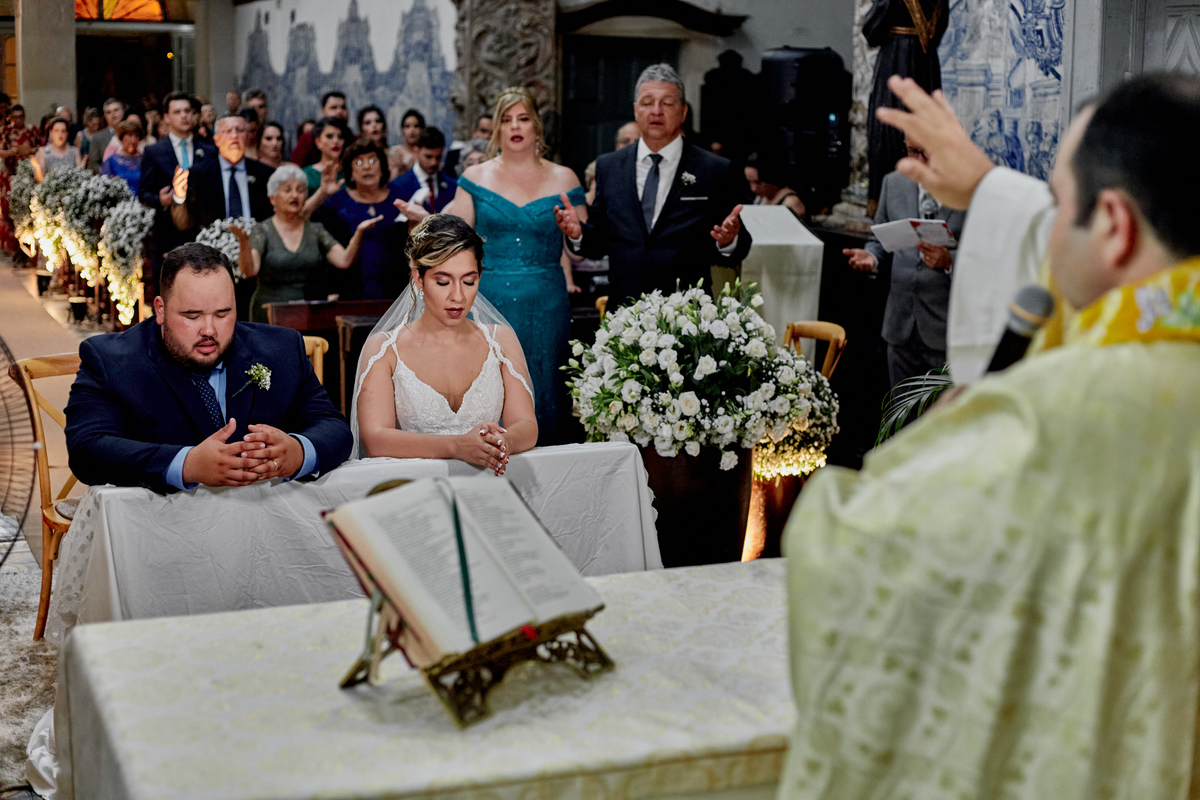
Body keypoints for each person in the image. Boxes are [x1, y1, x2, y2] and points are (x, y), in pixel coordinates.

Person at [778, 72, 1200, 800]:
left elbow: (852, 556)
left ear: (1116, 227)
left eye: (1058, 203)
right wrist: (994, 190)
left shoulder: (1049, 416)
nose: (1047, 227)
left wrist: (943, 431)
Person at [64, 242, 352, 493]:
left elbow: (335, 428)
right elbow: (86, 450)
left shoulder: (281, 348)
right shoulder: (111, 359)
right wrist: (186, 464)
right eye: (192, 315)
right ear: (160, 310)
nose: (209, 330)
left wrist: (300, 452)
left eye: (223, 313)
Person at [402, 87, 583, 444]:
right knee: (490, 383)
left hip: (546, 302)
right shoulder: (478, 178)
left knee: (545, 386)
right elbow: (455, 236)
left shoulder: (565, 178)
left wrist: (574, 234)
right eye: (506, 119)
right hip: (489, 299)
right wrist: (426, 219)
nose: (515, 126)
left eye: (523, 118)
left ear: (536, 127)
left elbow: (578, 251)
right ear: (497, 128)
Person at [351, 213, 537, 475]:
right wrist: (456, 446)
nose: (458, 296)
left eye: (469, 281)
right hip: (415, 489)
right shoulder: (384, 349)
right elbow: (375, 439)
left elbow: (526, 425)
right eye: (443, 281)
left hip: (491, 483)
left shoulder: (501, 340)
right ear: (419, 279)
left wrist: (503, 441)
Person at [555, 63, 751, 308]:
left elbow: (740, 245)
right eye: (647, 102)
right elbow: (599, 242)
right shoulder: (609, 166)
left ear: (683, 112)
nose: (656, 111)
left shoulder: (714, 169)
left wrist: (728, 240)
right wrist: (578, 234)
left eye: (667, 103)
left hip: (687, 318)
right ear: (636, 111)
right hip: (625, 316)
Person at [843, 138, 965, 386]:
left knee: (943, 419)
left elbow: (986, 254)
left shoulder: (968, 190)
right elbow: (878, 238)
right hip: (900, 327)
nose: (918, 160)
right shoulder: (893, 182)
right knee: (901, 416)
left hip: (947, 329)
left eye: (926, 151)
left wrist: (949, 260)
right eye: (912, 151)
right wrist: (871, 257)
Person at [230, 164, 379, 323]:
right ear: (272, 198)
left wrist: (359, 234)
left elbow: (344, 260)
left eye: (300, 190)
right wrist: (244, 243)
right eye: (287, 190)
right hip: (269, 316)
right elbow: (249, 270)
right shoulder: (262, 230)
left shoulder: (316, 230)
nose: (295, 195)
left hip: (309, 315)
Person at [863, 0, 948, 211]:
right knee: (921, 133)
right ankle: (919, 203)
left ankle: (886, 207)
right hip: (926, 64)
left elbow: (871, 32)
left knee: (887, 133)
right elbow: (939, 30)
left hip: (896, 61)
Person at [139, 91, 217, 299]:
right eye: (177, 112)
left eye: (187, 111)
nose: (183, 116)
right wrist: (161, 199)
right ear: (167, 117)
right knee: (167, 295)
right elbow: (144, 193)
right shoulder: (154, 151)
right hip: (167, 234)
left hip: (201, 233)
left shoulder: (209, 149)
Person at [311, 138, 408, 300]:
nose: (366, 166)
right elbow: (325, 248)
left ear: (382, 167)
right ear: (350, 171)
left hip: (394, 290)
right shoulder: (336, 202)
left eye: (372, 160)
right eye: (358, 162)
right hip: (348, 289)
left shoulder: (399, 199)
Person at [171, 114, 275, 235]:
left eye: (240, 130)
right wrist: (179, 197)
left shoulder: (266, 174)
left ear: (247, 137)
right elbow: (183, 224)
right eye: (227, 131)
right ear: (216, 139)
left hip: (255, 244)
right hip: (213, 246)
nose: (234, 135)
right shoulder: (198, 174)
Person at [0, 105, 42, 254]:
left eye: (21, 116)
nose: (19, 120)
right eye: (15, 117)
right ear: (10, 117)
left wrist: (30, 151)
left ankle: (28, 247)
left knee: (28, 211)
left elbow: (40, 147)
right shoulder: (5, 132)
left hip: (29, 176)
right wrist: (10, 152)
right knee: (10, 211)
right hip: (11, 175)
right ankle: (15, 247)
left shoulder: (32, 131)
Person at [390, 126, 457, 214]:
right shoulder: (398, 186)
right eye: (428, 157)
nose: (433, 162)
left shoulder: (453, 185)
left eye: (438, 157)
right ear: (416, 151)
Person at [291, 92, 349, 166]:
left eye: (343, 107)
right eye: (333, 108)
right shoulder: (308, 139)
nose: (339, 111)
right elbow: (297, 169)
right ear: (323, 112)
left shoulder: (353, 139)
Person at [744, 153, 806, 218]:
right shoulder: (760, 199)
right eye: (750, 182)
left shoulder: (789, 202)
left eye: (758, 183)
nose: (753, 188)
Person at [301, 117, 350, 196]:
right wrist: (322, 192)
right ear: (318, 141)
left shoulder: (351, 172)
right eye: (329, 136)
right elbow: (301, 208)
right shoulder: (305, 174)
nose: (336, 141)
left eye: (340, 137)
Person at [99, 118, 144, 193]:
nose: (133, 140)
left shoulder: (145, 159)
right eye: (130, 136)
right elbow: (104, 188)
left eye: (136, 136)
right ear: (121, 138)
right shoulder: (111, 162)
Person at [32, 117, 83, 182]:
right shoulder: (43, 151)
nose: (60, 135)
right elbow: (41, 178)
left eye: (63, 131)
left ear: (67, 133)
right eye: (56, 131)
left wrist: (81, 168)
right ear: (51, 133)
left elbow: (80, 175)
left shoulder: (74, 151)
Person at [86, 97, 125, 172]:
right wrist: (105, 171)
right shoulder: (97, 137)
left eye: (116, 110)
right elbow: (93, 163)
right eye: (108, 112)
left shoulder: (131, 133)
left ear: (123, 111)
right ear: (105, 116)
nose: (113, 114)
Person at [392, 108, 425, 174]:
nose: (412, 130)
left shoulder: (427, 153)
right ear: (402, 131)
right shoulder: (394, 152)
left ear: (422, 130)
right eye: (407, 126)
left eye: (416, 126)